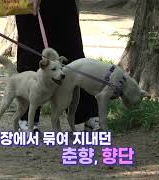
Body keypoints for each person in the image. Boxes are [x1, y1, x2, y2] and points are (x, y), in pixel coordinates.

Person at [15, 0, 100, 132]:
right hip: (27, 5)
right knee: (32, 55)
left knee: (72, 53)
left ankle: (88, 114)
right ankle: (26, 118)